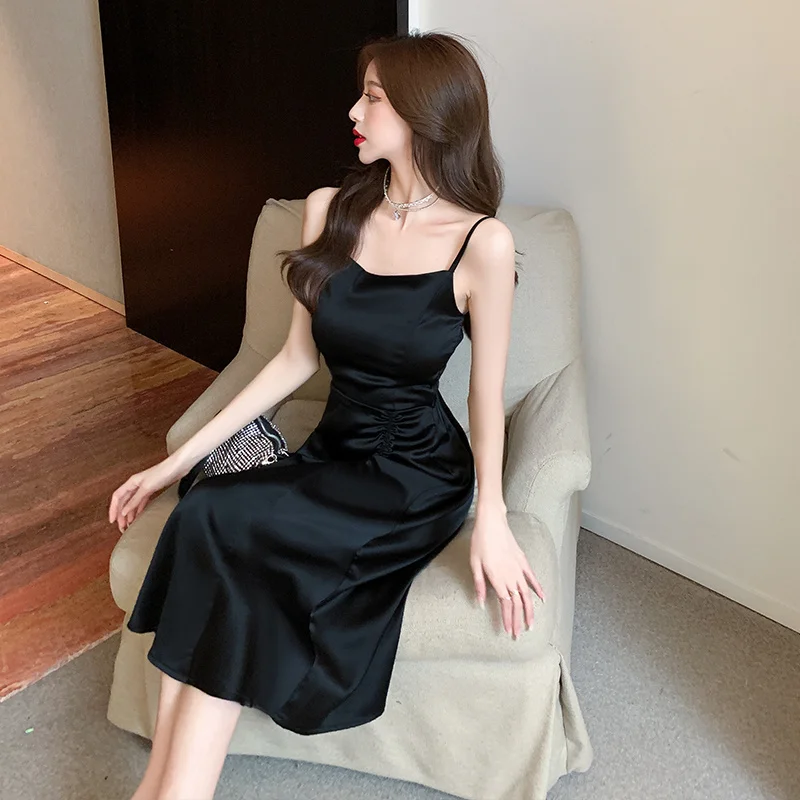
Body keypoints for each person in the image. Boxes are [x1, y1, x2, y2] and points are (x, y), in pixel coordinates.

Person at [108, 29, 545, 800]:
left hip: (413, 474)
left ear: (423, 113)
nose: (354, 112)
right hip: (337, 448)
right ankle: (161, 789)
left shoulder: (482, 242)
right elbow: (293, 360)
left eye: (372, 98)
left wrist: (493, 516)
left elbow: (485, 396)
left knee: (240, 534)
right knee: (206, 509)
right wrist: (173, 461)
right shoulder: (328, 211)